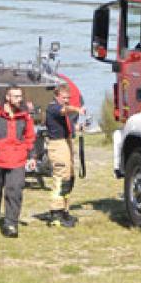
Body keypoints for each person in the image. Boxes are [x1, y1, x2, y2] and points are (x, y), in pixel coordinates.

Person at [0, 85, 37, 238]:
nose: (20, 99)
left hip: (17, 160)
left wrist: (32, 156)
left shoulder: (26, 115)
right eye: (16, 97)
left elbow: (30, 137)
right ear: (8, 97)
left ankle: (11, 224)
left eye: (20, 96)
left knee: (15, 191)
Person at [44, 84, 83, 228]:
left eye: (68, 98)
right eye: (64, 97)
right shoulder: (53, 107)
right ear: (57, 96)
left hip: (66, 143)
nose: (66, 100)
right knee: (60, 178)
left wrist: (77, 128)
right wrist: (77, 109)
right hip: (57, 145)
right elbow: (64, 110)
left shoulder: (61, 110)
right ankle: (56, 213)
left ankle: (65, 210)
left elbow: (65, 123)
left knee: (69, 177)